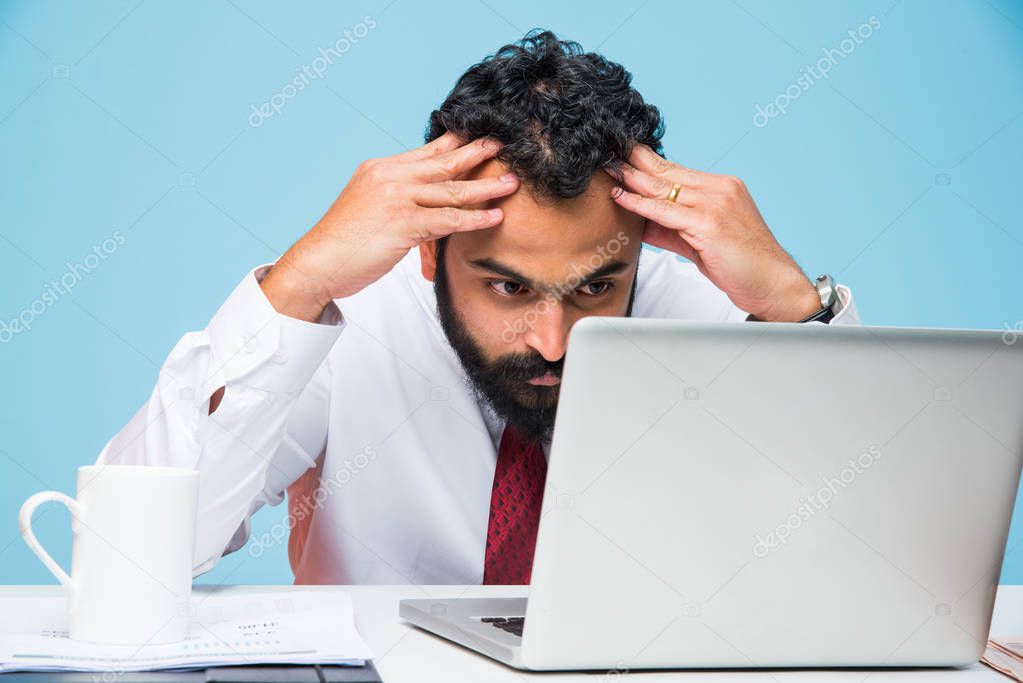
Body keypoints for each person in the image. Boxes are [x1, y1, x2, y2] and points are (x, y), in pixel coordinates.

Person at [98, 30, 861, 585]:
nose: (553, 342)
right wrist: (295, 286)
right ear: (430, 250)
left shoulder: (715, 318)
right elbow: (128, 557)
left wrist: (797, 310)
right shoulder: (347, 323)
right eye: (509, 286)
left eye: (595, 287)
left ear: (640, 243)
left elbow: (862, 560)